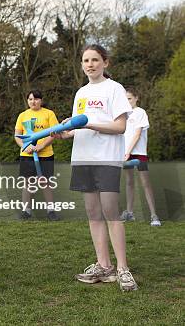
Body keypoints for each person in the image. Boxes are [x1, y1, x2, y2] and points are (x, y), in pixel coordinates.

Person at [53, 44, 138, 292]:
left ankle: (123, 269)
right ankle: (104, 265)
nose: (90, 64)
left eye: (95, 60)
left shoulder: (115, 89)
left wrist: (90, 124)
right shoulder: (81, 93)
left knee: (111, 211)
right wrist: (65, 133)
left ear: (105, 62)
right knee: (92, 213)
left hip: (106, 158)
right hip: (83, 158)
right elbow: (77, 127)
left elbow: (120, 126)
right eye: (86, 61)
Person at [14, 90, 60, 221]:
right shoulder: (23, 115)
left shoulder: (49, 114)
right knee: (29, 183)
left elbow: (54, 133)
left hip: (45, 155)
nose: (33, 102)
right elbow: (17, 135)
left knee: (46, 183)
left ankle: (51, 211)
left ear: (41, 100)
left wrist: (41, 146)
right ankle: (26, 211)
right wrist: (25, 146)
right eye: (30, 99)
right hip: (27, 155)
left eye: (36, 99)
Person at [121, 89, 161, 226]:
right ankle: (130, 213)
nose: (127, 102)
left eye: (129, 99)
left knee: (145, 183)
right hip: (126, 153)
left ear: (136, 98)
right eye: (125, 99)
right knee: (129, 182)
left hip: (138, 153)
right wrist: (124, 152)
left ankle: (154, 216)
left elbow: (137, 135)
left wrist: (128, 152)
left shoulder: (140, 112)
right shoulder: (122, 114)